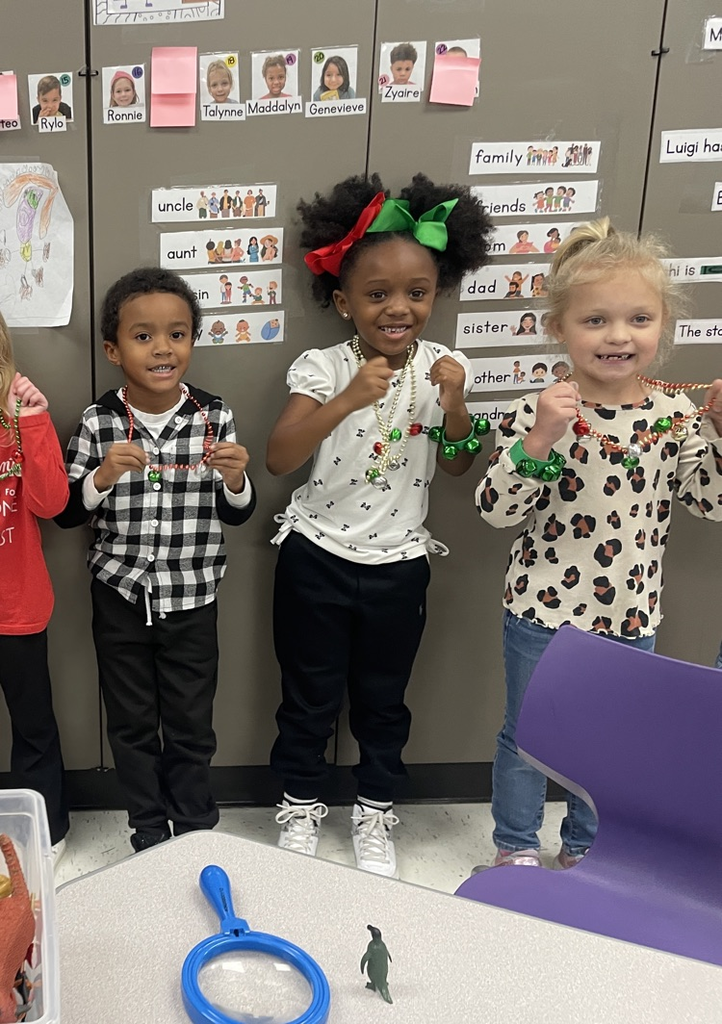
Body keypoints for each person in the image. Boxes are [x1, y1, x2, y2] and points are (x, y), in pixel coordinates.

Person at [476, 218, 722, 870]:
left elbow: (712, 502)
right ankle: (515, 847)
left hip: (630, 614)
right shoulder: (542, 409)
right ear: (559, 327)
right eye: (596, 321)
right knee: (528, 736)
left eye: (639, 319)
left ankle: (587, 848)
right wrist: (539, 441)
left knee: (615, 743)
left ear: (663, 325)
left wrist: (721, 437)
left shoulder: (675, 416)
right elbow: (495, 511)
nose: (618, 336)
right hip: (541, 611)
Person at [267, 172, 494, 877]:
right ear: (344, 302)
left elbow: (457, 465)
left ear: (437, 294)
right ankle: (300, 805)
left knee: (383, 701)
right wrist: (345, 399)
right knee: (307, 697)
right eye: (377, 294)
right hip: (315, 558)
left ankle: (373, 812)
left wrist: (455, 405)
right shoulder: (322, 366)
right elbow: (279, 457)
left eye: (416, 293)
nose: (398, 308)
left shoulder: (446, 367)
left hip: (399, 566)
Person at [54, 268, 256, 853]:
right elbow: (66, 513)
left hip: (192, 596)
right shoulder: (98, 421)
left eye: (177, 334)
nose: (163, 348)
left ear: (192, 340)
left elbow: (238, 514)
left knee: (192, 722)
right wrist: (102, 476)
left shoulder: (213, 416)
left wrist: (236, 480)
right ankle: (146, 828)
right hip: (119, 595)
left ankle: (193, 829)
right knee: (131, 720)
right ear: (113, 351)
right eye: (143, 336)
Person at [0, 311, 69, 867]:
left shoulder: (17, 412)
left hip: (14, 603)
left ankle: (46, 831)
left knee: (33, 724)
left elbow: (51, 503)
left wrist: (36, 422)